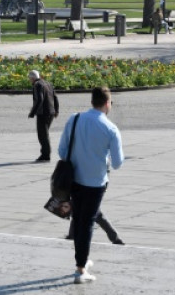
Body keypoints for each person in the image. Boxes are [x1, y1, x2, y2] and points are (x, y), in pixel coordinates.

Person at [57, 86, 124, 285]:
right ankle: (80, 269)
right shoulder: (110, 128)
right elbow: (118, 162)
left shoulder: (74, 119)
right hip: (96, 183)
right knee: (87, 223)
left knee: (79, 220)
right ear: (107, 103)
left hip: (74, 180)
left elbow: (62, 151)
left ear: (92, 101)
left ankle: (83, 260)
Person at [28, 70, 59, 162]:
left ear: (32, 78)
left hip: (43, 113)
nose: (30, 81)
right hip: (51, 112)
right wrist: (56, 110)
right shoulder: (48, 84)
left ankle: (46, 155)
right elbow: (55, 97)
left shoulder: (37, 85)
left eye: (30, 79)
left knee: (42, 135)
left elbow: (39, 100)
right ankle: (45, 153)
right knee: (44, 133)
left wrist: (33, 112)